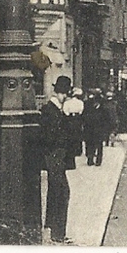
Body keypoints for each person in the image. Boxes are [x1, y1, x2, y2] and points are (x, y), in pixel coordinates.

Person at [41, 76, 73, 244]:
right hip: (54, 157)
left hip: (56, 158)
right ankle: (57, 233)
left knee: (58, 193)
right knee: (61, 193)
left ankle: (55, 231)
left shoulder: (54, 110)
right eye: (65, 94)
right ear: (62, 93)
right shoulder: (50, 111)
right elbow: (50, 137)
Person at [82, 89, 109, 166]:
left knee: (97, 144)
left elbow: (106, 119)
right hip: (90, 128)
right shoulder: (87, 106)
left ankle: (97, 160)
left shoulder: (103, 108)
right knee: (91, 144)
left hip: (97, 128)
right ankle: (90, 159)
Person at [62, 87, 85, 170]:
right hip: (77, 119)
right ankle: (78, 150)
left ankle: (72, 150)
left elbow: (65, 111)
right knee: (78, 135)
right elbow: (81, 111)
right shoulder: (80, 103)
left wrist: (69, 115)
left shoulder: (67, 103)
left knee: (70, 135)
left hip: (70, 119)